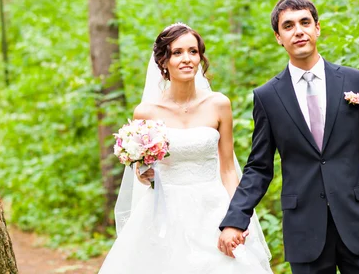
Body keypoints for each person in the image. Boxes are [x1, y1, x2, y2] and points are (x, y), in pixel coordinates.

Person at [218, 0, 359, 273]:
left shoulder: (354, 80)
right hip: (304, 228)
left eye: (305, 22)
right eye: (289, 26)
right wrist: (235, 219)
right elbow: (259, 167)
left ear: (317, 28)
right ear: (278, 37)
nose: (299, 31)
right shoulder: (268, 96)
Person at [98, 23, 272, 274]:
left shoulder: (219, 104)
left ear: (200, 57)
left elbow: (228, 170)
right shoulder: (146, 112)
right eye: (177, 52)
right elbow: (142, 172)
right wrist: (144, 174)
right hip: (164, 213)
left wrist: (238, 215)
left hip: (213, 208)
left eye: (193, 51)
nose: (186, 59)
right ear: (163, 61)